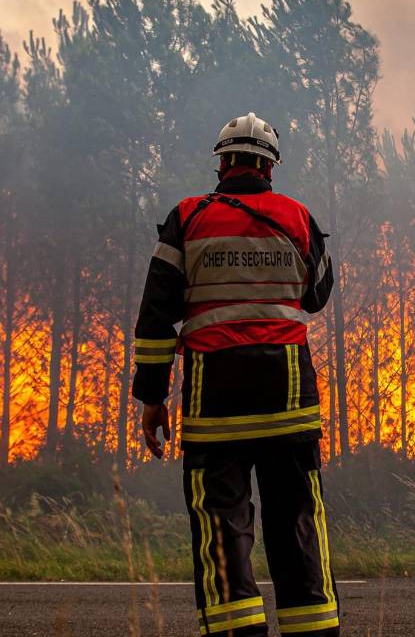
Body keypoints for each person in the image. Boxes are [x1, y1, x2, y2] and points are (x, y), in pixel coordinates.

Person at [132, 112, 338, 636]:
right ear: (270, 168)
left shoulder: (187, 218)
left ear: (221, 163)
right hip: (289, 400)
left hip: (215, 402)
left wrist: (153, 398)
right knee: (298, 523)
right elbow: (317, 295)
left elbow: (155, 318)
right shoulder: (297, 217)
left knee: (220, 529)